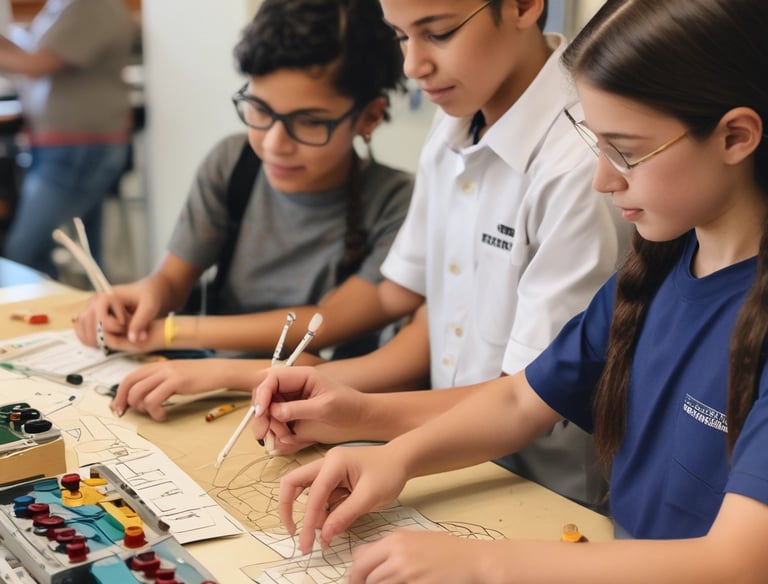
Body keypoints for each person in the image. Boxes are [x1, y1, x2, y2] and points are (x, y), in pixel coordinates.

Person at [249, 0, 768, 579]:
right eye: (594, 142)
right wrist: (395, 458)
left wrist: (482, 563)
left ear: (735, 137)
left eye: (625, 149)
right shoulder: (657, 271)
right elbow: (522, 399)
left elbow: (737, 561)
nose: (602, 177)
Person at [109, 0, 629, 512]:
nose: (413, 65)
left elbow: (525, 399)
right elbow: (409, 305)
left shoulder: (578, 166)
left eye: (439, 32)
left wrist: (355, 413)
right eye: (401, 36)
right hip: (452, 460)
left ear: (522, 6)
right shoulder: (454, 124)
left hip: (541, 489)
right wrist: (270, 378)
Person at [73, 0, 415, 370]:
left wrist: (172, 332)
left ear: (370, 116)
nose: (274, 144)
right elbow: (172, 277)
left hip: (316, 402)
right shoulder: (233, 163)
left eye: (310, 122)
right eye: (260, 111)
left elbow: (325, 323)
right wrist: (146, 296)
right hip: (201, 381)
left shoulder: (397, 202)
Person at [0, 0, 135, 277]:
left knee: (23, 252)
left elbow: (36, 64)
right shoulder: (61, 7)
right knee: (88, 258)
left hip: (79, 150)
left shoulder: (90, 7)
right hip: (67, 147)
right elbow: (31, 53)